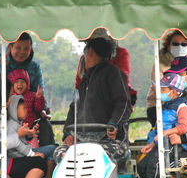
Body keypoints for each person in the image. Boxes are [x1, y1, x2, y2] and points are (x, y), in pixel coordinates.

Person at [55, 35, 132, 163]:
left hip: (110, 142)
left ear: (90, 51)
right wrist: (67, 134)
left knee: (95, 156)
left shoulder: (114, 73)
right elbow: (73, 108)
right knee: (59, 153)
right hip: (81, 141)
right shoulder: (84, 81)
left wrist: (114, 124)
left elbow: (124, 104)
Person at [0, 31, 55, 146]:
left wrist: (43, 109)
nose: (22, 52)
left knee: (45, 126)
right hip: (2, 111)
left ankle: (47, 154)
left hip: (27, 113)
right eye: (18, 48)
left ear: (31, 49)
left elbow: (38, 91)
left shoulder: (34, 67)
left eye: (26, 49)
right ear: (10, 47)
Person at [137, 72, 187, 178]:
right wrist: (151, 144)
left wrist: (166, 133)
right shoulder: (164, 107)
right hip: (160, 144)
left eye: (163, 89)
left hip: (174, 146)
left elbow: (184, 127)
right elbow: (157, 130)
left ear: (174, 92)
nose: (160, 92)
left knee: (155, 164)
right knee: (142, 165)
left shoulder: (182, 107)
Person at [74, 28, 137, 105]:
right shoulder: (85, 58)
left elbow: (120, 80)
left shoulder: (120, 54)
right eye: (88, 43)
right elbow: (79, 85)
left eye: (93, 43)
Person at [7, 95, 56, 178]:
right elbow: (17, 145)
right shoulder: (12, 125)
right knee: (52, 149)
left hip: (23, 153)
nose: (26, 110)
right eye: (23, 108)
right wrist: (32, 154)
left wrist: (30, 134)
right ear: (14, 110)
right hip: (20, 156)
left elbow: (21, 140)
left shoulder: (16, 123)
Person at [7, 69, 46, 147]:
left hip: (30, 130)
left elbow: (38, 108)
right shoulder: (9, 98)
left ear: (27, 83)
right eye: (16, 82)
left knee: (33, 147)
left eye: (23, 82)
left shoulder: (32, 95)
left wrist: (39, 97)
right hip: (15, 131)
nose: (20, 84)